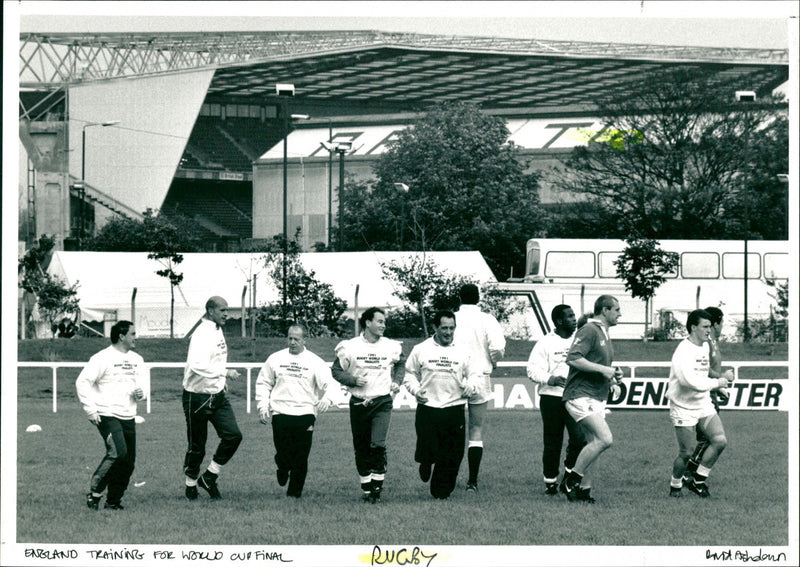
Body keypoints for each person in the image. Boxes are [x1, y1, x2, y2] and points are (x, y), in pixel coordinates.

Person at [403, 310, 481, 499]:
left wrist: (471, 386)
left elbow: (475, 375)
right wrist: (415, 390)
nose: (448, 332)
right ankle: (425, 461)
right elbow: (410, 374)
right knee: (429, 448)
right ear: (435, 328)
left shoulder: (463, 351)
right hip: (428, 407)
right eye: (444, 328)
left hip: (454, 407)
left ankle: (441, 491)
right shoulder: (421, 349)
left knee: (452, 454)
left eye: (451, 328)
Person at [332, 307, 405, 503]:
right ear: (367, 323)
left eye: (384, 322)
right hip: (358, 403)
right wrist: (352, 380)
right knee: (361, 446)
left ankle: (377, 485)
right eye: (380, 321)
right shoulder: (350, 347)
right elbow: (336, 371)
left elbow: (400, 363)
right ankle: (366, 484)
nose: (383, 325)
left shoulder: (390, 346)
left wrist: (397, 381)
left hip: (382, 401)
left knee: (378, 444)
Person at [255, 324, 335, 498]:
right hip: (280, 413)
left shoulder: (314, 361)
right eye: (290, 338)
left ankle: (294, 494)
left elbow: (330, 383)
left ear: (304, 340)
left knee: (301, 455)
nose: (292, 342)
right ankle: (282, 467)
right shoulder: (275, 359)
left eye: (296, 339)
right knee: (283, 452)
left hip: (305, 413)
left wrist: (327, 399)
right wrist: (262, 405)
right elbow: (264, 383)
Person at [76, 321, 149, 510]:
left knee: (128, 462)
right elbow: (82, 382)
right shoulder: (102, 358)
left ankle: (113, 501)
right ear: (121, 336)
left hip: (129, 415)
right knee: (118, 452)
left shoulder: (137, 360)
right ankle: (94, 494)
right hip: (107, 414)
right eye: (133, 334)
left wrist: (142, 394)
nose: (135, 337)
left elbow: (143, 386)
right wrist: (90, 409)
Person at [560, 295, 623, 503]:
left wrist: (613, 378)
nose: (619, 314)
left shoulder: (604, 333)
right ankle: (572, 480)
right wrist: (604, 369)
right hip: (580, 395)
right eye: (616, 310)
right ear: (604, 310)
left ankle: (584, 491)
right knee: (605, 439)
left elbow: (598, 365)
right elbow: (573, 358)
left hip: (595, 396)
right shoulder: (589, 330)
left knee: (594, 442)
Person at [182, 296, 243, 501]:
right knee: (197, 445)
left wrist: (220, 382)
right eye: (222, 310)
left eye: (227, 310)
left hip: (217, 396)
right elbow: (197, 364)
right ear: (210, 311)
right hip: (197, 397)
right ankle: (190, 485)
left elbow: (215, 359)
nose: (226, 314)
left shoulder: (217, 330)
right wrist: (224, 372)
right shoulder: (201, 333)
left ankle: (209, 476)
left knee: (233, 435)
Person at [666, 309, 731, 498]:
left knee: (719, 441)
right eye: (705, 326)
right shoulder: (683, 351)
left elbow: (703, 374)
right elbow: (689, 381)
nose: (709, 330)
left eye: (710, 326)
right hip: (683, 406)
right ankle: (675, 484)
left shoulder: (704, 346)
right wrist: (717, 383)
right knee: (686, 453)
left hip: (703, 403)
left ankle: (698, 480)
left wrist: (719, 388)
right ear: (693, 327)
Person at [526, 304, 586, 495]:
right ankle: (550, 481)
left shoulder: (580, 341)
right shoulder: (545, 343)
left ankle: (569, 472)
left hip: (574, 398)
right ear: (559, 321)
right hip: (551, 398)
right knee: (553, 442)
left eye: (574, 315)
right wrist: (550, 379)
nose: (574, 319)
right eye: (569, 316)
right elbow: (532, 370)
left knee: (580, 439)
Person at [453, 283, 506, 493]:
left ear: (460, 298)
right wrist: (492, 362)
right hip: (480, 376)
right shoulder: (487, 319)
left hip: (454, 376)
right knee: (475, 430)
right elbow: (498, 347)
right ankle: (472, 482)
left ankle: (448, 474)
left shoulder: (452, 318)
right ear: (478, 298)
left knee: (453, 429)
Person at [684, 306, 733, 480]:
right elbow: (704, 370)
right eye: (721, 323)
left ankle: (690, 470)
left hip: (711, 391)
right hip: (704, 395)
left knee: (709, 438)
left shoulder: (711, 342)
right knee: (710, 437)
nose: (721, 327)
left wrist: (719, 387)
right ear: (716, 323)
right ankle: (690, 471)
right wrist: (721, 379)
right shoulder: (705, 343)